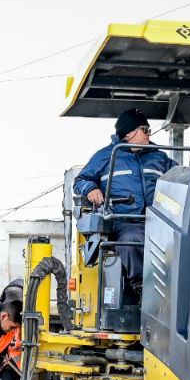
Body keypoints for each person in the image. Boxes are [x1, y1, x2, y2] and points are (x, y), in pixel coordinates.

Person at [73, 108, 176, 301]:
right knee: (132, 240)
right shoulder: (106, 156)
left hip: (157, 221)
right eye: (144, 129)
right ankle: (143, 289)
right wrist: (90, 189)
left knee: (178, 244)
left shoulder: (158, 157)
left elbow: (180, 177)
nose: (149, 134)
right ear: (129, 133)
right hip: (124, 221)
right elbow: (80, 181)